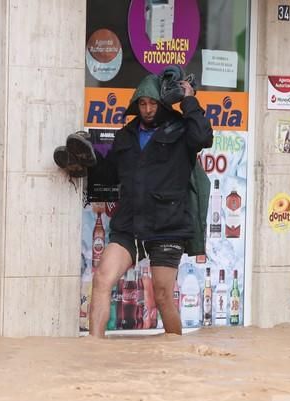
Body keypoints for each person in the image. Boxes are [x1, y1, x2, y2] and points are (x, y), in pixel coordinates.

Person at [59, 72, 214, 338]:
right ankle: (94, 350)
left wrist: (188, 101)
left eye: (153, 103)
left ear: (162, 103)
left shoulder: (181, 130)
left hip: (168, 224)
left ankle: (175, 354)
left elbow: (203, 138)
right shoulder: (126, 136)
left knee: (163, 295)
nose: (148, 109)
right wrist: (84, 163)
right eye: (142, 103)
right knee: (101, 279)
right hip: (130, 223)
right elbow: (110, 175)